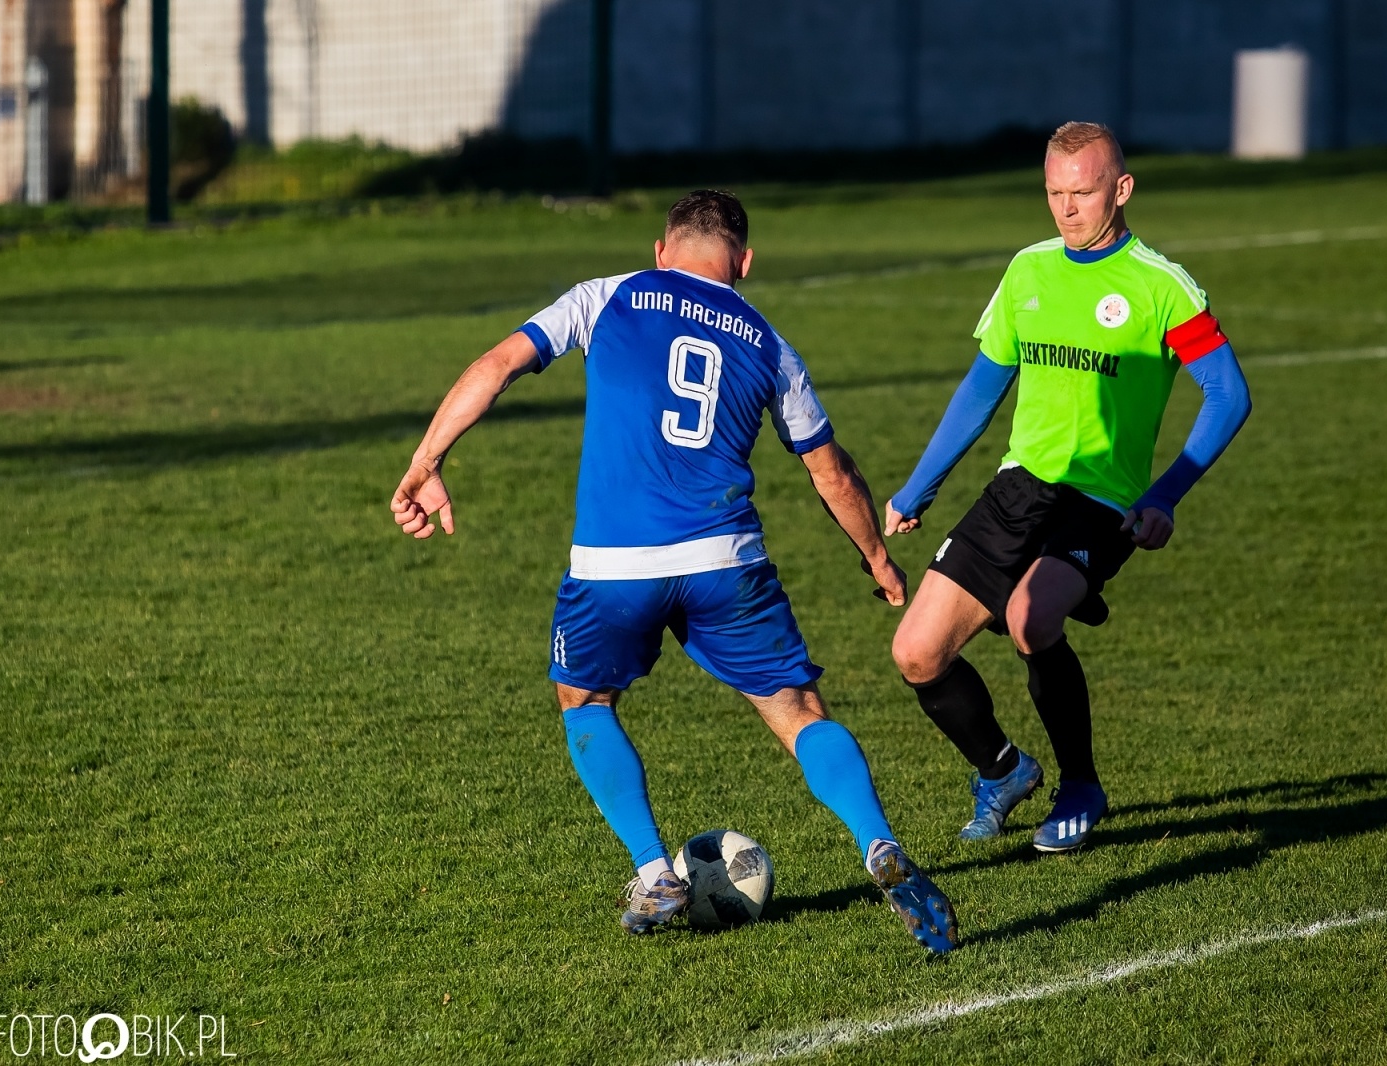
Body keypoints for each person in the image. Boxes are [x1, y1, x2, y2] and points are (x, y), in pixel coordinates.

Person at [391, 190, 955, 952]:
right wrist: (880, 560)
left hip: (613, 567)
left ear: (663, 249)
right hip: (726, 561)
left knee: (583, 697)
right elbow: (832, 474)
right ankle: (879, 845)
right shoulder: (768, 342)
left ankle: (656, 873)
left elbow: (496, 366)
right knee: (797, 712)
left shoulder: (607, 296)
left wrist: (427, 463)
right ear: (744, 263)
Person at [884, 122, 1252, 853]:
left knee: (1028, 620)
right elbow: (981, 388)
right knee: (917, 654)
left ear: (1120, 189)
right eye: (1054, 193)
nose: (1066, 208)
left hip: (1099, 504)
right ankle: (1003, 770)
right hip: (1019, 489)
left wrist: (1164, 495)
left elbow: (1229, 394)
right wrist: (915, 490)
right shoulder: (1029, 271)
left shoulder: (1159, 286)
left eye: (1081, 192)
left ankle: (1080, 783)